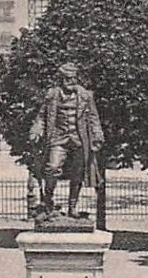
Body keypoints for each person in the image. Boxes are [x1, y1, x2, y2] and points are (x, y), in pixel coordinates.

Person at [39, 61, 105, 217]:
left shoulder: (86, 96)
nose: (71, 82)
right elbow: (41, 115)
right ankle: (48, 200)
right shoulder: (52, 94)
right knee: (53, 168)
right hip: (58, 137)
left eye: (74, 78)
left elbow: (94, 118)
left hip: (79, 139)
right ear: (61, 79)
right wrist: (37, 128)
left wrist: (98, 135)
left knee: (78, 174)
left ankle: (72, 207)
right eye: (68, 79)